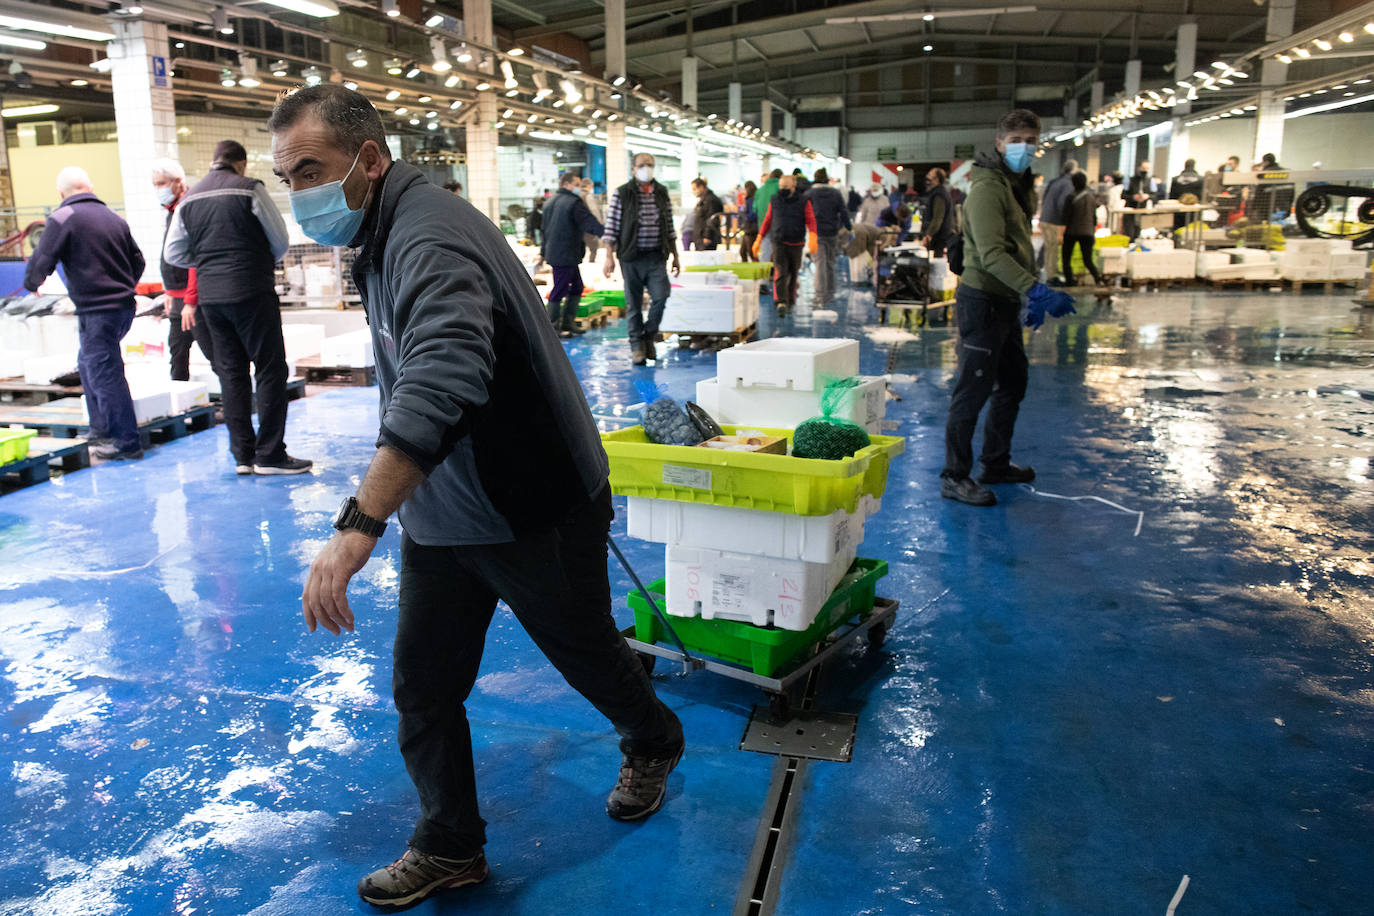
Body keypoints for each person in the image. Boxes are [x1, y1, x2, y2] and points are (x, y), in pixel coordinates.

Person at [273, 86, 684, 911]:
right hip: (442, 507)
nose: (299, 195)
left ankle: (655, 737)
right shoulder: (377, 231)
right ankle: (450, 844)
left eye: (311, 171)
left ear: (371, 160)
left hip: (527, 501)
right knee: (424, 685)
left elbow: (443, 373)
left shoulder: (428, 232)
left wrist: (358, 525)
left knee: (585, 652)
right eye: (288, 177)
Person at [940, 108, 1076, 508]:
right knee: (972, 389)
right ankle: (954, 475)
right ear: (999, 144)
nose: (1023, 147)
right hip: (982, 300)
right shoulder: (987, 189)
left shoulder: (1017, 185)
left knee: (1013, 382)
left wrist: (1026, 292)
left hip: (1004, 300)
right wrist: (1033, 290)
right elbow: (991, 254)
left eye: (1030, 140)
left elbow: (1017, 244)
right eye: (1015, 140)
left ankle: (995, 463)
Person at [164, 139, 311, 476]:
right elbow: (279, 240)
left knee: (231, 373)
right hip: (252, 291)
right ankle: (271, 454)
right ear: (241, 164)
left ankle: (242, 456)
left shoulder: (190, 198)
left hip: (211, 300)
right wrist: (252, 261)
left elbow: (174, 253)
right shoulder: (249, 189)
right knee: (270, 369)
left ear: (215, 161)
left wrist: (208, 263)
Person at [24, 167, 146, 461]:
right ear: (89, 187)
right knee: (90, 364)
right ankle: (100, 430)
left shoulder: (63, 218)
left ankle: (126, 442)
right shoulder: (114, 218)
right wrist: (123, 286)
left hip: (97, 309)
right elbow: (138, 260)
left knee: (105, 373)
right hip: (122, 307)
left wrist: (32, 283)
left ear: (61, 193)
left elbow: (43, 257)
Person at [602, 152, 681, 366]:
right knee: (634, 304)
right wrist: (608, 256)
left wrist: (675, 255)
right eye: (642, 165)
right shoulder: (623, 193)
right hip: (630, 257)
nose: (647, 168)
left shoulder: (662, 192)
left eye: (650, 164)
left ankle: (649, 334)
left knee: (662, 296)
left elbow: (670, 226)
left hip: (656, 255)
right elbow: (611, 228)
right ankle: (637, 346)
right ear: (633, 169)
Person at [152, 158, 217, 382]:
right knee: (177, 353)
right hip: (178, 299)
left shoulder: (188, 207)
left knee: (214, 354)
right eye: (155, 184)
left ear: (178, 182)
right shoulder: (171, 211)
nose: (158, 189)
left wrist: (190, 301)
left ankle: (242, 402)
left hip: (194, 301)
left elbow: (194, 260)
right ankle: (182, 405)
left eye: (162, 183)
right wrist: (170, 291)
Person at [541, 170, 604, 339]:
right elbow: (588, 222)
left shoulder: (550, 202)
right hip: (566, 253)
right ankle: (553, 328)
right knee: (559, 289)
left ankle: (567, 324)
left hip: (557, 252)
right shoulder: (573, 203)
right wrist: (607, 233)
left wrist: (543, 252)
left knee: (576, 287)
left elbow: (543, 230)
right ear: (566, 185)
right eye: (576, 185)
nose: (579, 188)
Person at [755, 173, 816, 314]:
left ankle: (790, 300)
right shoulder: (775, 199)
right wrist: (760, 236)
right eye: (781, 186)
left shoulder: (804, 201)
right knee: (781, 271)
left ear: (793, 187)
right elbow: (768, 219)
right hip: (778, 241)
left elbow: (811, 219)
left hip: (796, 242)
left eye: (786, 186)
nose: (783, 189)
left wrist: (813, 235)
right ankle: (780, 301)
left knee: (793, 273)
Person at [804, 167, 851, 305]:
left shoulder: (809, 194)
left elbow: (803, 212)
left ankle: (820, 296)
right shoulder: (835, 193)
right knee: (830, 263)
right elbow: (843, 211)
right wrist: (848, 227)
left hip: (815, 232)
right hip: (832, 232)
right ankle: (830, 294)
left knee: (819, 264)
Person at [1039, 160, 1078, 285]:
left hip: (1045, 218)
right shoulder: (1068, 184)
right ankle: (1052, 277)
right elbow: (1063, 204)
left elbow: (1044, 198)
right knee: (1053, 250)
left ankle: (1046, 273)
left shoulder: (1055, 181)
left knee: (1048, 248)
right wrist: (1066, 222)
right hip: (1054, 221)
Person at [1061, 172, 1104, 287]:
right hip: (1088, 233)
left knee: (1066, 259)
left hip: (1072, 232)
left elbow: (1065, 217)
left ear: (1073, 183)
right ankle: (1097, 278)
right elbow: (1094, 217)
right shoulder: (1091, 197)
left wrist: (1061, 232)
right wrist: (1093, 229)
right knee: (1087, 260)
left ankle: (1069, 281)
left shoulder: (1071, 197)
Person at [921, 167, 956, 257]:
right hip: (940, 234)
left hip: (940, 235)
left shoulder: (939, 194)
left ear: (936, 179)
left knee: (938, 260)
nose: (927, 178)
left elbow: (937, 217)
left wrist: (929, 234)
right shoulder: (938, 192)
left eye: (930, 175)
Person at [1123, 160, 1159, 239]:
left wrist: (1147, 196)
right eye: (1143, 168)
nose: (1145, 170)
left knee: (1141, 234)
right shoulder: (1129, 180)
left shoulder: (1151, 181)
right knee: (1129, 233)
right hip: (1131, 210)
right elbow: (1123, 195)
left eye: (1147, 168)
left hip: (1144, 210)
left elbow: (1155, 195)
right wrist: (1133, 197)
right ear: (1138, 168)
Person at [753, 168, 782, 263]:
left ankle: (765, 276)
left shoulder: (759, 191)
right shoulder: (780, 187)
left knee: (765, 253)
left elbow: (755, 209)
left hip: (763, 225)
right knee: (779, 253)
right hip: (778, 225)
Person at [1169, 158, 1203, 230]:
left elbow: (1171, 197)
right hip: (1194, 212)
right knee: (1192, 232)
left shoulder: (1175, 179)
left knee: (1177, 231)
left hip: (1178, 211)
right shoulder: (1201, 179)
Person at [690, 178, 723, 250]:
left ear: (701, 187)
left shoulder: (711, 200)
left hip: (706, 240)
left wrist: (707, 236)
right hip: (700, 238)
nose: (693, 191)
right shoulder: (703, 200)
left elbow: (712, 220)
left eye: (694, 189)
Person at [579, 177, 602, 263]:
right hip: (588, 224)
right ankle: (592, 261)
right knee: (594, 245)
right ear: (589, 186)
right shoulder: (587, 196)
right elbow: (594, 210)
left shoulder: (576, 195)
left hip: (578, 225)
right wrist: (599, 223)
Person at [738, 180, 759, 262]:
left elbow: (752, 215)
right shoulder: (750, 200)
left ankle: (757, 269)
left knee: (751, 252)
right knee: (743, 251)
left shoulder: (751, 200)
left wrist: (743, 214)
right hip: (749, 229)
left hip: (751, 229)